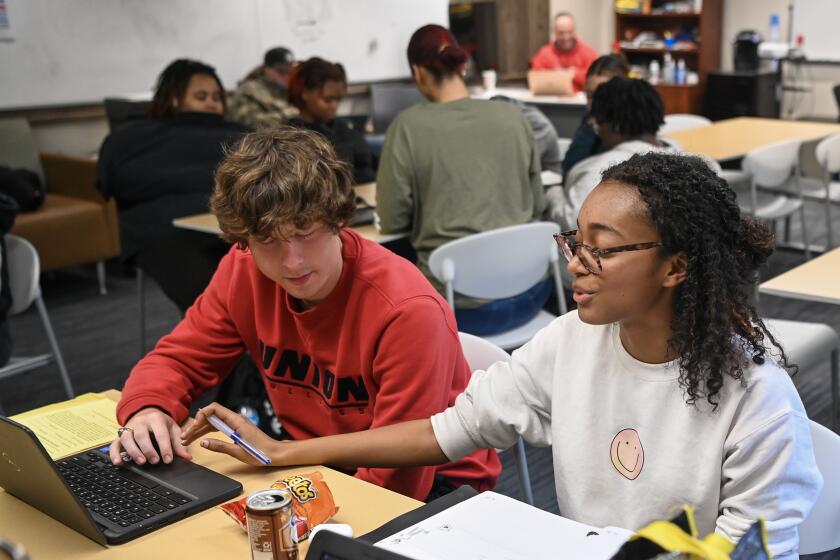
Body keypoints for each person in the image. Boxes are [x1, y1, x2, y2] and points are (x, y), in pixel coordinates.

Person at [185, 152, 822, 559]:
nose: (574, 262)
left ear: (676, 267)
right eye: (575, 239)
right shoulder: (570, 341)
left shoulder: (755, 399)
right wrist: (284, 454)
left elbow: (748, 551)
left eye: (602, 248)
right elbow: (444, 433)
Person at [109, 127, 500, 502]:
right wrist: (149, 409)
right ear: (244, 240)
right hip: (309, 457)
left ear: (337, 219)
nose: (292, 262)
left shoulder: (406, 310)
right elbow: (179, 360)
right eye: (268, 241)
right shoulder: (241, 270)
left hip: (438, 483)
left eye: (306, 231)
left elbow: (398, 480)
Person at [376, 24, 546, 336]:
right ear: (462, 66)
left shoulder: (407, 127)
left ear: (418, 72)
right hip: (532, 294)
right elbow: (539, 203)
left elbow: (391, 219)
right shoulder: (513, 117)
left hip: (459, 308)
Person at [97, 59, 249, 312]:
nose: (211, 103)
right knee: (213, 288)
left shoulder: (238, 134)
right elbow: (119, 183)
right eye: (201, 96)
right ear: (173, 99)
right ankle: (223, 337)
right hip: (169, 228)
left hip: (230, 222)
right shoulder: (135, 138)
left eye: (216, 96)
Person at [548, 76, 675, 231]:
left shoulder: (601, 172)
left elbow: (574, 224)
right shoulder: (689, 157)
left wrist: (553, 193)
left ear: (615, 125)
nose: (598, 131)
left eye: (598, 124)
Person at [286, 57, 375, 184]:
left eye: (338, 100)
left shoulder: (342, 127)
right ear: (305, 93)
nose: (334, 106)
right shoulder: (292, 137)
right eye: (327, 100)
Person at [561, 54, 630, 178]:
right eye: (589, 95)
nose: (593, 103)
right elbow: (569, 167)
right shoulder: (589, 120)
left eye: (602, 96)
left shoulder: (631, 128)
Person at [226, 47, 298, 129]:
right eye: (281, 71)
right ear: (266, 69)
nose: (287, 75)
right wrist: (289, 114)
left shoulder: (292, 89)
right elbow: (248, 121)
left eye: (290, 71)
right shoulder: (250, 90)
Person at [530, 12, 600, 93]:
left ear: (574, 30)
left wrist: (574, 74)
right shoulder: (544, 54)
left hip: (582, 103)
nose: (566, 37)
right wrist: (558, 75)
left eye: (570, 32)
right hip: (551, 102)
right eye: (561, 33)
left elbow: (597, 79)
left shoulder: (589, 53)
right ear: (555, 32)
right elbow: (535, 78)